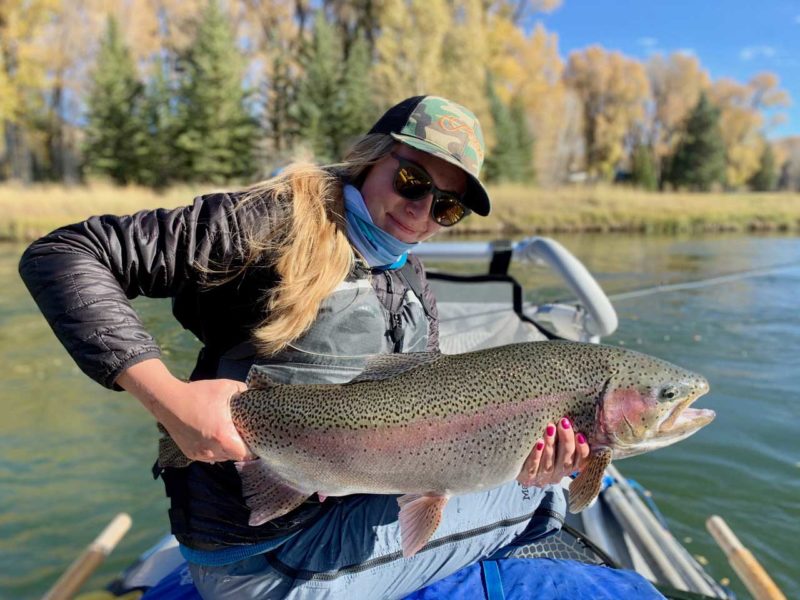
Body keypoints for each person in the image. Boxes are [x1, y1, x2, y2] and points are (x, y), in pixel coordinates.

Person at [19, 95, 590, 599]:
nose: (421, 212)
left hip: (320, 512)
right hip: (261, 559)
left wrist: (517, 461)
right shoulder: (271, 222)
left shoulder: (410, 280)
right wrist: (167, 397)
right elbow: (66, 254)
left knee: (534, 480)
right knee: (545, 502)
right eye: (413, 181)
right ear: (371, 157)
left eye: (446, 207)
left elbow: (423, 407)